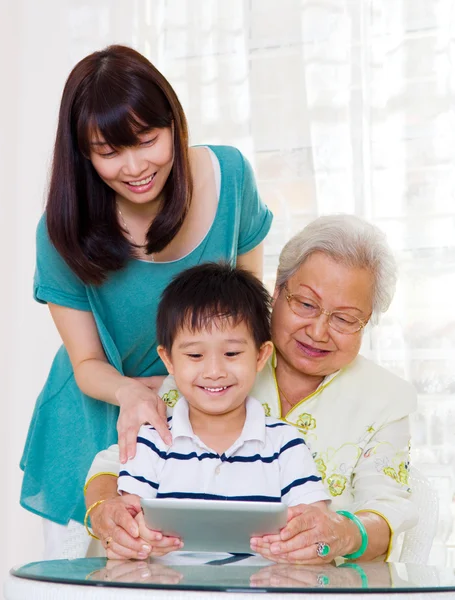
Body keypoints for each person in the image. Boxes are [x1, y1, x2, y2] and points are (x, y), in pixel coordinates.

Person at [19, 44, 273, 558]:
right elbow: (86, 361)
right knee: (91, 581)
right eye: (109, 152)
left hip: (199, 413)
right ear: (83, 155)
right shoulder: (61, 231)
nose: (135, 167)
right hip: (98, 414)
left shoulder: (229, 178)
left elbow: (251, 318)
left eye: (147, 140)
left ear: (174, 124)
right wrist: (136, 395)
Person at [85, 214, 418, 563]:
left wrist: (346, 533)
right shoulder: (216, 362)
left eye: (345, 319)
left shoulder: (387, 399)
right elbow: (119, 464)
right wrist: (109, 513)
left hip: (305, 580)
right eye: (305, 304)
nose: (319, 331)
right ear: (278, 290)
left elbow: (388, 507)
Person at [112, 263, 330, 558]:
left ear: (260, 356)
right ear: (169, 360)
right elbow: (124, 533)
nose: (214, 371)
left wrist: (304, 544)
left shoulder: (284, 444)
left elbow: (316, 529)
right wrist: (138, 536)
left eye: (231, 354)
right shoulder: (151, 442)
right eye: (195, 355)